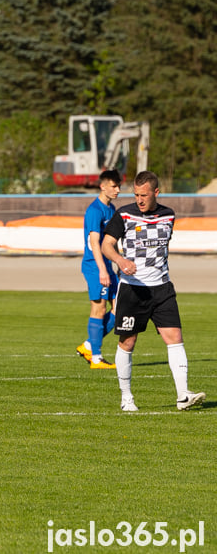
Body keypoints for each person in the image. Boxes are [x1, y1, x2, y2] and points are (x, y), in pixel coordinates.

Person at [101, 171, 205, 412]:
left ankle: (183, 396)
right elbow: (107, 244)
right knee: (128, 342)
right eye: (136, 194)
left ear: (156, 193)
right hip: (133, 289)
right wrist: (120, 260)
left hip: (162, 288)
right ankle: (126, 398)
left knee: (175, 338)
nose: (139, 199)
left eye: (144, 195)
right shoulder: (123, 214)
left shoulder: (168, 215)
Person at [76, 169, 121, 369]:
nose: (118, 190)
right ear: (103, 186)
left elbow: (111, 242)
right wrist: (103, 269)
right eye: (114, 186)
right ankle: (96, 357)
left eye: (118, 186)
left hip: (108, 266)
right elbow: (95, 243)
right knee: (99, 307)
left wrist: (119, 262)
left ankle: (88, 344)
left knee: (120, 307)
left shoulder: (111, 210)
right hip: (95, 266)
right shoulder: (94, 210)